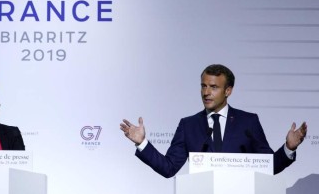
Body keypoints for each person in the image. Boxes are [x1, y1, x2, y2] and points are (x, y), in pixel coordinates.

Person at [120, 64, 307, 177]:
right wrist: (142, 143)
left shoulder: (248, 122)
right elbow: (168, 168)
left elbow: (268, 166)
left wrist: (288, 149)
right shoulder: (188, 125)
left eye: (213, 87)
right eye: (203, 86)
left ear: (228, 91)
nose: (206, 92)